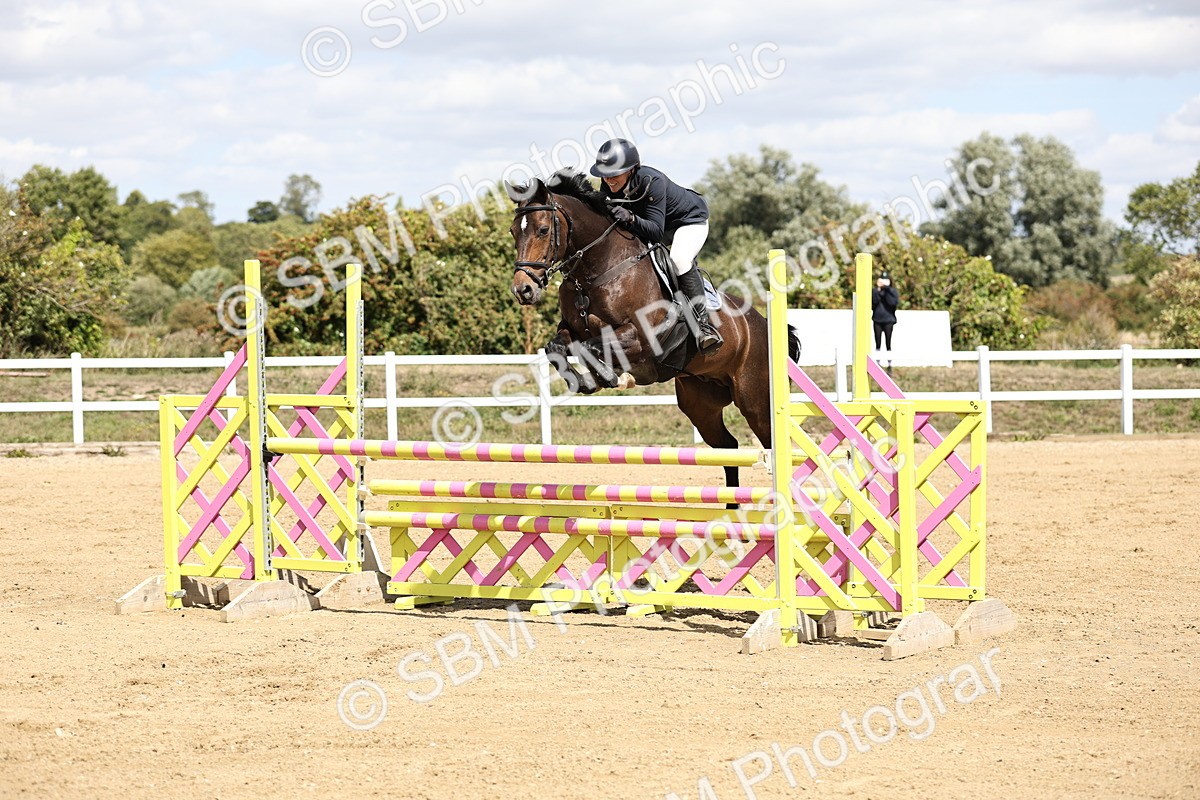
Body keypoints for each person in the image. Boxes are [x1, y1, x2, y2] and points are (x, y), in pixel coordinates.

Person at [589, 138, 722, 354]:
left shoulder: (652, 182)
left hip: (688, 222)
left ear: (632, 170)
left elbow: (656, 232)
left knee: (679, 259)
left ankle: (703, 325)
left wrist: (631, 218)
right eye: (605, 175)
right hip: (654, 224)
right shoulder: (609, 183)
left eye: (614, 174)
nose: (609, 180)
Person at [872, 271, 899, 366]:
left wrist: (887, 289)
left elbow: (892, 302)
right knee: (877, 342)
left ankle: (889, 363)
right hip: (877, 320)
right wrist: (878, 289)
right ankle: (877, 362)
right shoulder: (876, 291)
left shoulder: (892, 291)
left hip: (888, 320)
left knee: (888, 342)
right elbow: (874, 302)